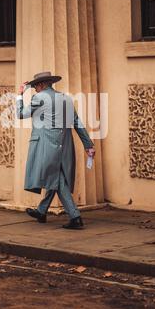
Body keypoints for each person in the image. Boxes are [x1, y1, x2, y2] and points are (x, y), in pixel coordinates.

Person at [16, 71, 95, 230]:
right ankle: (42, 211)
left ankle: (75, 216)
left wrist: (19, 95)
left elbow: (20, 114)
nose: (35, 90)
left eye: (35, 87)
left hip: (47, 144)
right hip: (65, 144)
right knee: (55, 175)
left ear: (40, 85)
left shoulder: (39, 98)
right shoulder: (65, 98)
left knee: (58, 179)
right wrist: (88, 145)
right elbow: (76, 123)